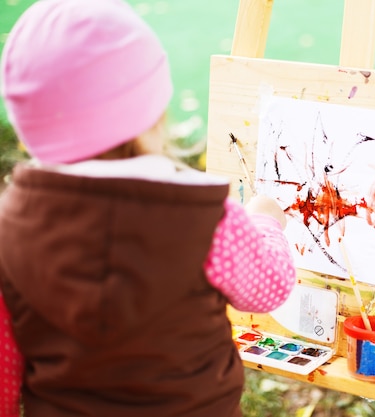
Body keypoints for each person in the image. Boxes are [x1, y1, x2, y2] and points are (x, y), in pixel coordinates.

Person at [0, 0, 296, 416]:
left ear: (28, 132)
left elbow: (5, 366)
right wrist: (265, 222)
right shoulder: (205, 217)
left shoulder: (10, 228)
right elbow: (268, 288)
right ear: (154, 115)